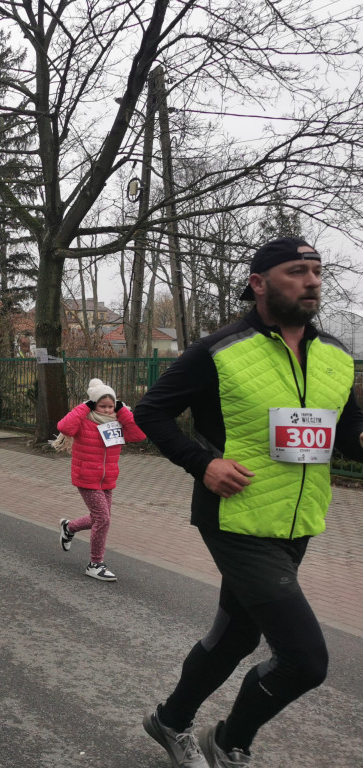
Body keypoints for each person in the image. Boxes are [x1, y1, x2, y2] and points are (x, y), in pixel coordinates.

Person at [135, 237, 363, 768]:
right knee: (305, 660)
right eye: (296, 271)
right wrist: (204, 464)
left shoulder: (334, 354)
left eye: (317, 271)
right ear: (259, 284)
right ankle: (231, 741)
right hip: (234, 518)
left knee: (237, 634)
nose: (311, 281)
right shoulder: (219, 349)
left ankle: (169, 721)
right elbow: (151, 414)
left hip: (299, 518)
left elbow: (347, 430)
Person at [53, 378, 145, 582]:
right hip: (86, 477)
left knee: (99, 518)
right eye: (102, 406)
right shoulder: (84, 420)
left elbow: (138, 435)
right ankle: (95, 564)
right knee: (103, 519)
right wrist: (84, 407)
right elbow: (64, 427)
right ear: (93, 404)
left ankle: (69, 527)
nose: (106, 410)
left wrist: (122, 411)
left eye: (111, 406)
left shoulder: (117, 422)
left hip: (108, 479)